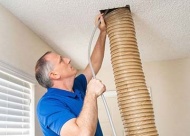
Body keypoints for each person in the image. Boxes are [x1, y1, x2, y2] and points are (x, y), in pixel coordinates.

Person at [35, 13, 107, 136]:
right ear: (54, 74)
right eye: (61, 60)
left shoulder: (77, 85)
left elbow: (94, 64)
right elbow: (82, 134)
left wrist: (103, 32)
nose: (68, 59)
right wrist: (91, 93)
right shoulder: (47, 105)